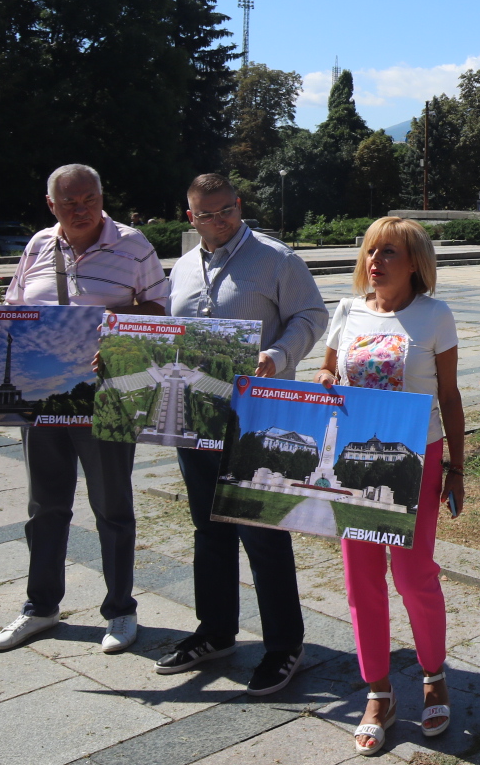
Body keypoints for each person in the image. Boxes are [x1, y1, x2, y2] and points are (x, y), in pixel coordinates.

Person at [153, 173, 328, 698]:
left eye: (226, 210)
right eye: (206, 214)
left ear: (239, 205)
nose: (218, 221)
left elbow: (312, 315)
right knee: (209, 529)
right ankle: (216, 631)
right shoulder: (183, 266)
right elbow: (169, 329)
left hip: (258, 415)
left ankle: (283, 645)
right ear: (190, 217)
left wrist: (278, 355)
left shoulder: (277, 259)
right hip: (197, 415)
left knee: (263, 531)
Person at [0, 163, 168, 656]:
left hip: (107, 396)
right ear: (52, 206)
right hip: (43, 396)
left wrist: (114, 324)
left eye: (90, 199)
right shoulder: (39, 245)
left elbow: (162, 311)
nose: (82, 209)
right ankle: (40, 607)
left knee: (112, 507)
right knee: (45, 508)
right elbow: (13, 310)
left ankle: (121, 611)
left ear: (102, 196)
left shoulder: (134, 245)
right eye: (70, 203)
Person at [320, 217, 468, 756]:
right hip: (355, 459)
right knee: (361, 579)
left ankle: (434, 676)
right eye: (371, 251)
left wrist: (455, 465)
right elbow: (329, 375)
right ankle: (378, 693)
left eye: (390, 253)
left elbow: (450, 398)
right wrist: (326, 382)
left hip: (416, 458)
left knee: (412, 575)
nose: (376, 262)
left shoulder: (434, 316)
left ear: (415, 264)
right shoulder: (347, 310)